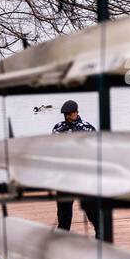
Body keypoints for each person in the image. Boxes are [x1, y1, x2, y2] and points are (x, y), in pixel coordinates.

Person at [52, 100, 101, 238]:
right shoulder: (57, 128)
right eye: (65, 114)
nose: (67, 117)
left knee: (91, 209)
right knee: (63, 212)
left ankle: (101, 235)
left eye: (69, 114)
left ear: (76, 112)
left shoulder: (87, 128)